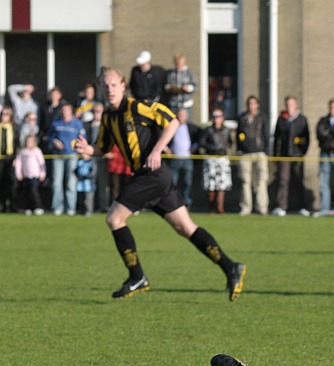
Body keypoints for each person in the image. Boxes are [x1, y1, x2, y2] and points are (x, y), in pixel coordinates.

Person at [74, 68, 246, 301]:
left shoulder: (138, 107)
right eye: (106, 86)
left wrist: (156, 149)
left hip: (152, 175)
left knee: (114, 218)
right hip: (151, 178)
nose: (110, 90)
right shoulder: (107, 117)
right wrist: (88, 150)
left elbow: (172, 122)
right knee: (186, 227)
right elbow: (102, 149)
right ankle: (230, 267)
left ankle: (137, 276)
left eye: (114, 85)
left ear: (123, 86)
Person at [273, 95, 310, 216]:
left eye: (292, 104)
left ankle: (302, 207)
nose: (290, 107)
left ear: (296, 105)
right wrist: (275, 155)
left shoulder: (302, 119)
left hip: (297, 155)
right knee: (283, 181)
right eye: (287, 104)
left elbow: (307, 138)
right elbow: (276, 138)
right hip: (284, 155)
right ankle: (281, 207)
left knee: (298, 181)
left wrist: (302, 152)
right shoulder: (281, 119)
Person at [48, 103, 85, 216]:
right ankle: (57, 208)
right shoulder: (55, 123)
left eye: (67, 110)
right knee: (56, 183)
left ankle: (70, 209)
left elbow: (83, 138)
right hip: (58, 155)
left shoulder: (77, 124)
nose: (65, 112)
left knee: (71, 183)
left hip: (72, 155)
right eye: (63, 110)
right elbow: (49, 136)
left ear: (71, 112)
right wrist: (54, 141)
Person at [236, 95, 270, 216]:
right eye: (249, 103)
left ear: (257, 105)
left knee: (262, 181)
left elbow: (266, 135)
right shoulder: (242, 118)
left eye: (253, 103)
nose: (251, 106)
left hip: (260, 152)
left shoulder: (262, 118)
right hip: (245, 153)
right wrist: (239, 149)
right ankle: (246, 207)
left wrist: (267, 151)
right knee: (246, 181)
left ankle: (262, 207)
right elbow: (238, 135)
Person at [200, 108, 235, 214]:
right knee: (211, 184)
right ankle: (211, 207)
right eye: (215, 116)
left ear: (222, 118)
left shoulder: (226, 130)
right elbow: (202, 142)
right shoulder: (208, 130)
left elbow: (230, 143)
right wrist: (212, 147)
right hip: (211, 158)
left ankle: (220, 207)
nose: (217, 119)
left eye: (219, 116)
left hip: (222, 158)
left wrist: (224, 147)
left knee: (222, 184)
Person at [166, 108, 199, 209]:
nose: (181, 117)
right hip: (175, 159)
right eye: (179, 115)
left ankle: (186, 204)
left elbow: (199, 139)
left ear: (187, 116)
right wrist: (165, 148)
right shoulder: (171, 127)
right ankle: (172, 204)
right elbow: (162, 137)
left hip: (187, 159)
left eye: (183, 115)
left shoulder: (192, 128)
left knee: (187, 183)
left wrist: (194, 147)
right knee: (173, 183)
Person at [85, 103, 109, 212]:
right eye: (94, 111)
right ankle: (89, 208)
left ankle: (103, 207)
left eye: (99, 111)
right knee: (90, 184)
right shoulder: (87, 125)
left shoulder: (107, 126)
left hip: (103, 159)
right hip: (89, 159)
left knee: (103, 184)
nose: (96, 114)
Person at [14, 134, 46, 216]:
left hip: (35, 175)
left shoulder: (37, 151)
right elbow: (19, 163)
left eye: (30, 142)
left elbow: (41, 162)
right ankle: (28, 208)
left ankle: (38, 207)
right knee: (26, 192)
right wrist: (19, 174)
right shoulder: (22, 151)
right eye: (27, 142)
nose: (28, 143)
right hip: (26, 175)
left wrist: (42, 173)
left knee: (34, 191)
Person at [164, 53, 197, 120]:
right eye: (178, 63)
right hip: (174, 103)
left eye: (181, 63)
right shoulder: (170, 73)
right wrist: (170, 88)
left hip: (186, 104)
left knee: (187, 124)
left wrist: (188, 88)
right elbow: (165, 86)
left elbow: (195, 86)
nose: (179, 65)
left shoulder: (189, 73)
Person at [0, 106, 17, 213]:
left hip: (10, 159)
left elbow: (17, 144)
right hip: (0, 158)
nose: (4, 116)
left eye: (6, 114)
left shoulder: (14, 128)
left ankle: (11, 205)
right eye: (2, 114)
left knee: (11, 182)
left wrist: (16, 158)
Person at [75, 151, 97, 216]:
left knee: (88, 199)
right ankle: (82, 210)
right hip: (80, 184)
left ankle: (89, 211)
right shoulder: (80, 162)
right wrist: (78, 176)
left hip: (89, 184)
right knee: (81, 198)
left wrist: (86, 176)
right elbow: (75, 170)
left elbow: (93, 173)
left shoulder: (92, 162)